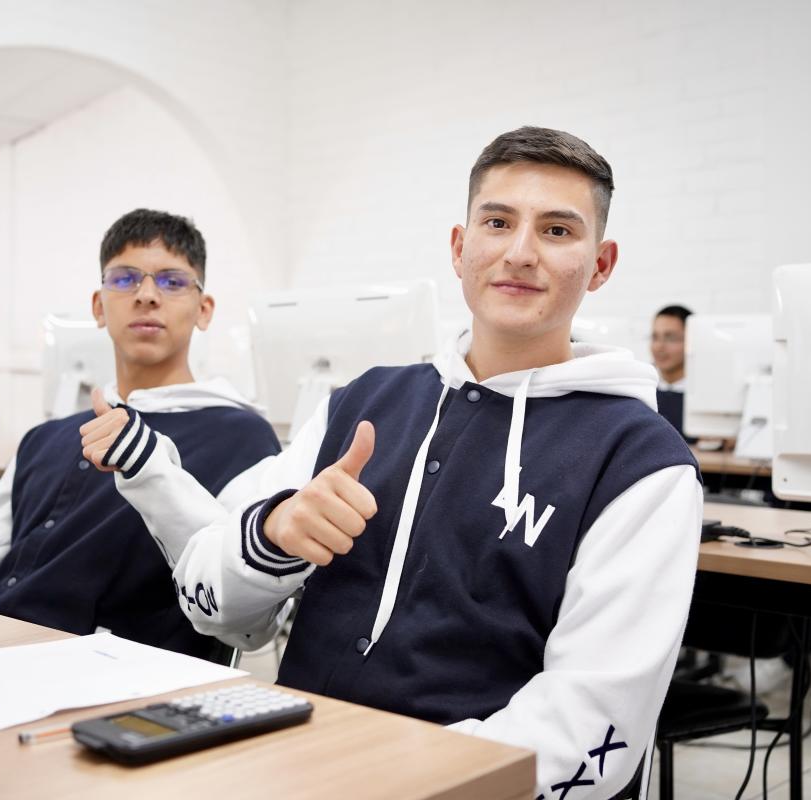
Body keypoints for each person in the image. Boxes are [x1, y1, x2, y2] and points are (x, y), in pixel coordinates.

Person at [82, 128, 702, 798]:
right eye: (497, 222)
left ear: (601, 265)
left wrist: (395, 778)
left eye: (557, 230)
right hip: (294, 765)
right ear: (460, 248)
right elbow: (210, 602)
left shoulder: (642, 463)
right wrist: (273, 534)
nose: (520, 252)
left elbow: (591, 729)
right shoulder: (363, 404)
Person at [0, 209, 280, 660]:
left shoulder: (242, 438)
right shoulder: (42, 439)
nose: (146, 295)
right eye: (124, 279)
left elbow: (246, 610)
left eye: (172, 281)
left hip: (115, 679)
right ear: (98, 307)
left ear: (204, 310)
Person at [651, 304, 692, 437]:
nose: (659, 346)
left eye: (671, 338)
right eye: (655, 337)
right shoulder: (642, 390)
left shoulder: (707, 394)